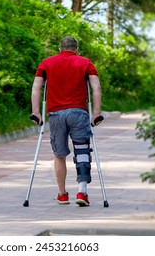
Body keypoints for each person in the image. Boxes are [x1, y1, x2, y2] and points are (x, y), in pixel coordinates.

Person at [31, 36, 102, 207]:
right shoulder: (85, 63)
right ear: (76, 49)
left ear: (59, 48)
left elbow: (36, 86)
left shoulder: (46, 63)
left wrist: (35, 112)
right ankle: (82, 192)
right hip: (79, 113)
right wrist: (97, 113)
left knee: (59, 155)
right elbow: (96, 87)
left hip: (56, 114)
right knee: (82, 151)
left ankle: (62, 194)